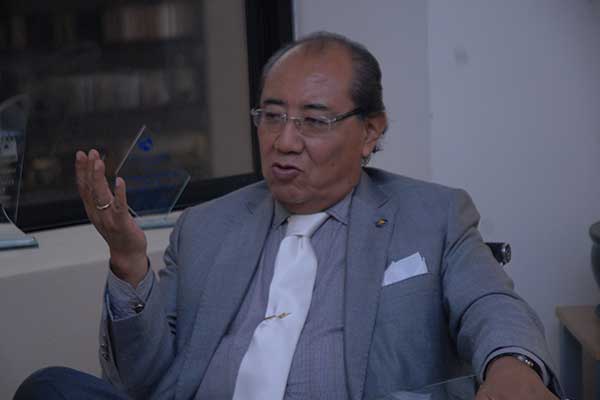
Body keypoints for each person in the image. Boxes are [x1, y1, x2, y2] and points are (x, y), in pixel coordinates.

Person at [16, 32, 561, 400]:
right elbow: (143, 382)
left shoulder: (433, 215)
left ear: (370, 131)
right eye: (272, 116)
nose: (284, 141)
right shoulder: (206, 226)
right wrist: (129, 262)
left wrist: (512, 364)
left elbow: (490, 304)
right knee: (49, 387)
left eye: (314, 121)